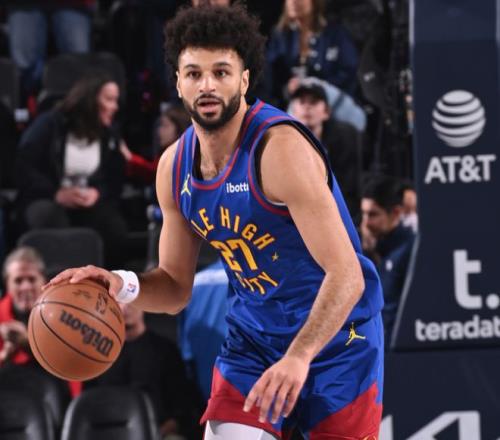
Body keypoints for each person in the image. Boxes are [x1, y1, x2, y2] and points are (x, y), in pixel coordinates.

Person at [47, 4, 383, 439]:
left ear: (244, 79)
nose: (207, 85)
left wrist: (299, 356)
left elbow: (347, 275)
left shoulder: (279, 151)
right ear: (178, 82)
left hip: (338, 338)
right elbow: (174, 287)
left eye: (221, 72)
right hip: (255, 341)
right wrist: (120, 284)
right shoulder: (174, 168)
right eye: (194, 73)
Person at [15, 73, 128, 268]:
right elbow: (23, 167)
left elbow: (114, 178)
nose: (115, 107)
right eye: (109, 99)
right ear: (90, 99)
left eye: (116, 100)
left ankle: (106, 281)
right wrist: (56, 193)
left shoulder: (109, 134)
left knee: (114, 228)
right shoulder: (49, 123)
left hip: (87, 201)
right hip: (46, 197)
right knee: (50, 217)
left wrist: (97, 192)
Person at [86, 303, 201, 440]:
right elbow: (87, 404)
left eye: (131, 301)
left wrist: (158, 432)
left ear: (144, 304)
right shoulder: (98, 354)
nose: (125, 308)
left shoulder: (164, 350)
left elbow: (182, 407)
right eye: (120, 302)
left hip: (158, 433)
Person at [0, 246, 81, 396]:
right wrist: (5, 356)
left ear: (43, 281)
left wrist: (26, 343)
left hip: (53, 396)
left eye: (32, 279)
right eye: (18, 280)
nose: (26, 287)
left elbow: (71, 371)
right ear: (7, 284)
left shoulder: (64, 314)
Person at [289, 81, 362, 220]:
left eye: (313, 102)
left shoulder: (346, 137)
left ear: (326, 112)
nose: (307, 107)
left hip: (339, 211)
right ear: (293, 110)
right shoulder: (280, 139)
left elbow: (349, 186)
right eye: (302, 102)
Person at [265, 0, 359, 108]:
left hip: (334, 104)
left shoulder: (336, 34)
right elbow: (270, 78)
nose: (293, 2)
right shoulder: (280, 35)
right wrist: (286, 89)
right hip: (294, 106)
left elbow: (349, 72)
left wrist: (319, 87)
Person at [5, 1, 95, 106]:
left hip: (74, 4)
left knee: (78, 65)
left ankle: (78, 110)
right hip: (23, 5)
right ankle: (26, 110)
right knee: (24, 68)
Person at [360, 175, 415, 346]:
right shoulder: (365, 248)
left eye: (373, 214)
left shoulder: (411, 250)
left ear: (396, 213)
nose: (366, 223)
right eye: (363, 214)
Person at [120, 104, 191, 184]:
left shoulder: (179, 156)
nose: (159, 131)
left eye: (165, 126)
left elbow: (153, 171)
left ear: (179, 130)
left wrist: (130, 157)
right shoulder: (169, 152)